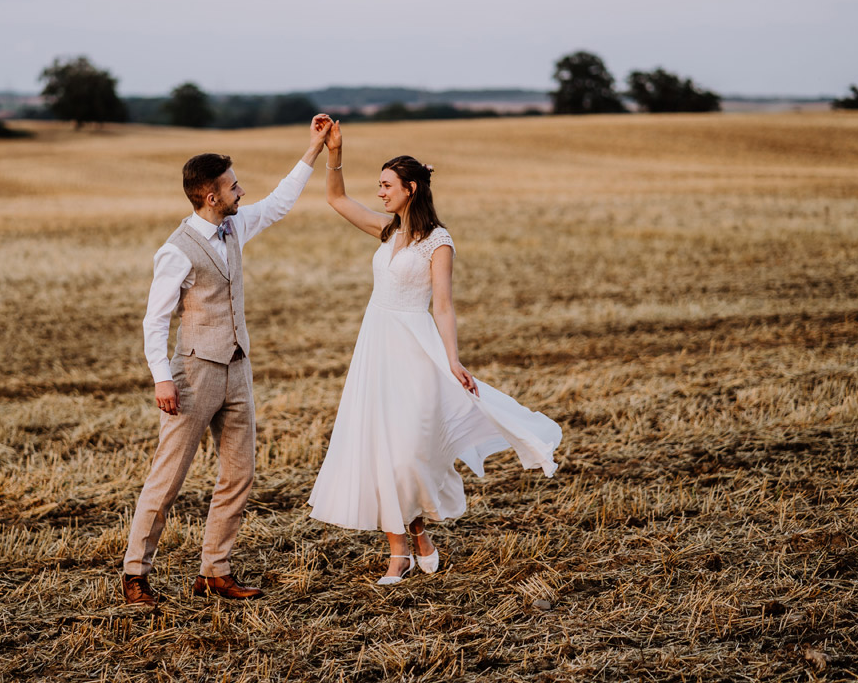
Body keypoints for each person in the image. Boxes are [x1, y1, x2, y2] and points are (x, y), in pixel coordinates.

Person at [307, 119, 562, 584]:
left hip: (415, 350)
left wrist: (453, 359)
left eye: (387, 186)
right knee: (380, 449)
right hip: (376, 348)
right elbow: (336, 199)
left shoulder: (438, 242)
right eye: (379, 186)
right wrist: (333, 151)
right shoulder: (387, 232)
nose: (380, 193)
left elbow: (442, 306)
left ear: (411, 189)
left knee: (408, 453)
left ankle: (419, 532)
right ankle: (399, 552)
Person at [123, 115, 333, 606]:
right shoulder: (175, 251)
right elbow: (155, 321)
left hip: (238, 369)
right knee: (168, 478)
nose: (241, 191)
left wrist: (314, 150)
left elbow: (279, 203)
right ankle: (135, 573)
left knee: (239, 474)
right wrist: (162, 379)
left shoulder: (236, 226)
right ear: (210, 196)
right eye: (232, 186)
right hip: (193, 374)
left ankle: (214, 572)